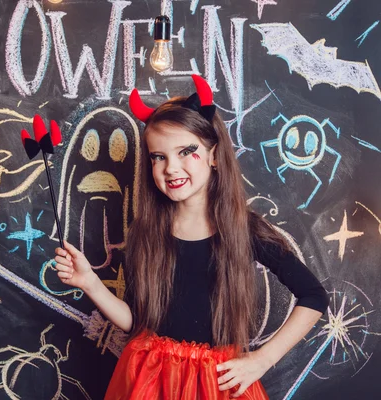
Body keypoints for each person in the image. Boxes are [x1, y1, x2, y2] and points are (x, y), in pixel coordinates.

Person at [53, 75, 329, 399]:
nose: (171, 168)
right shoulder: (147, 232)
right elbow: (136, 323)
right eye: (159, 157)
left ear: (213, 155)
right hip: (149, 377)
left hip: (216, 382)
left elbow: (314, 296)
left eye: (186, 151)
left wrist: (262, 360)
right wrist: (90, 283)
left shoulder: (243, 230)